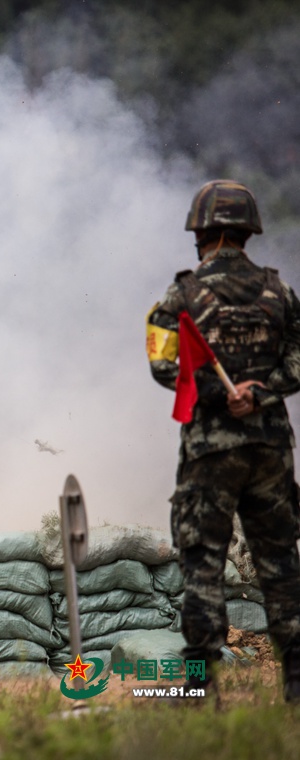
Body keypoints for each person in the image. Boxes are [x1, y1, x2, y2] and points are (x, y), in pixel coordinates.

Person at [146, 179, 300, 702]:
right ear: (248, 230)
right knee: (281, 566)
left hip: (211, 451)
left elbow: (163, 365)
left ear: (203, 231)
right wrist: (259, 394)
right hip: (271, 448)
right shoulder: (279, 292)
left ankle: (199, 691)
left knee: (203, 567)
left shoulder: (183, 295)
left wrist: (216, 393)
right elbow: (297, 363)